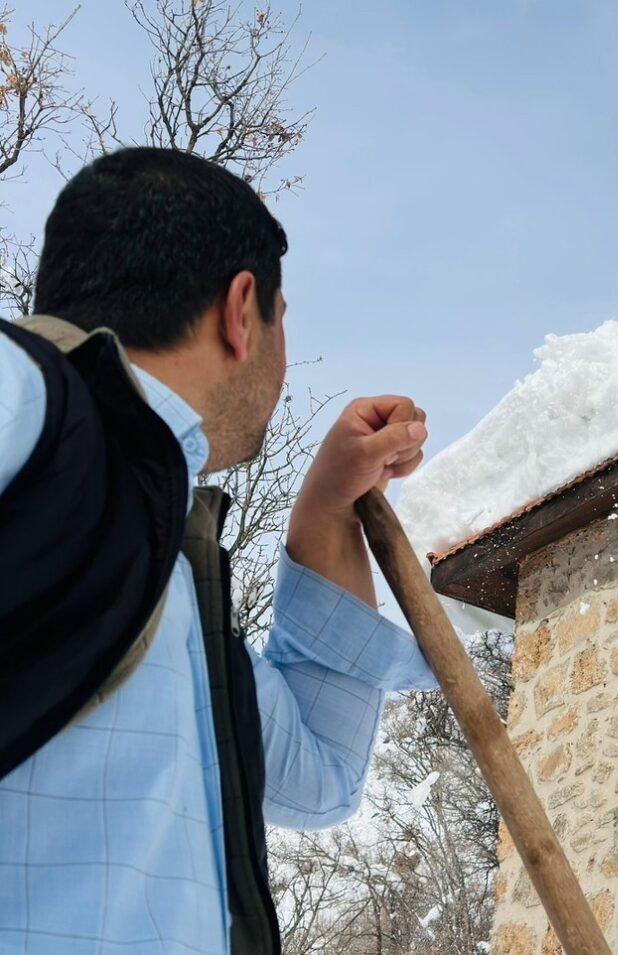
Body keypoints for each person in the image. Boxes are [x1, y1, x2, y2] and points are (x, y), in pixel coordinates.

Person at [0, 147, 439, 954]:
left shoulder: (165, 573)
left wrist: (326, 510)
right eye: (283, 317)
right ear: (242, 311)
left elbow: (320, 774)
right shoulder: (30, 402)